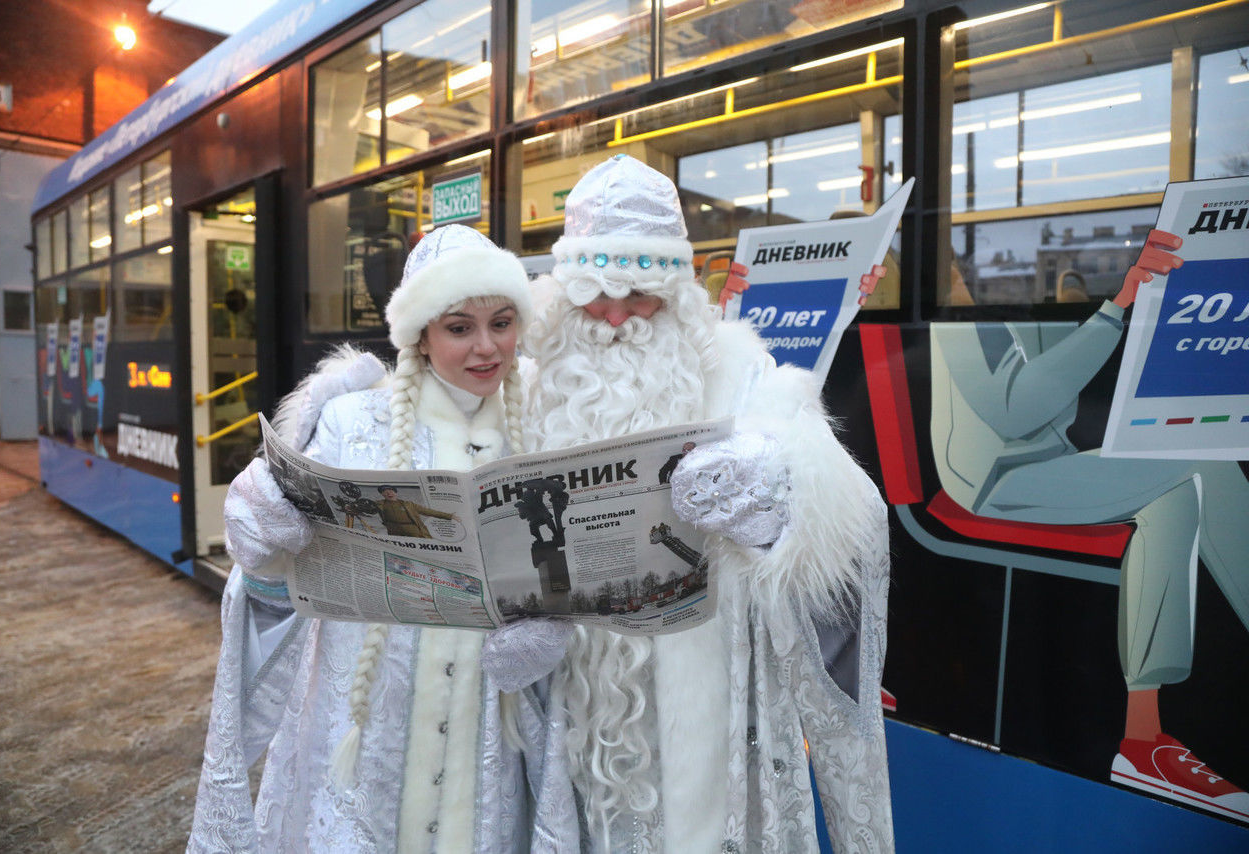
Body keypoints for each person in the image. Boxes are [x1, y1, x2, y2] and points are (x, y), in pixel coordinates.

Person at [505, 154, 895, 852]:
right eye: (596, 290)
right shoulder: (526, 388)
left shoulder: (746, 381)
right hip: (570, 710)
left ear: (680, 291)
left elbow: (856, 517)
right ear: (564, 288)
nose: (616, 315)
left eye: (642, 293)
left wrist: (775, 493)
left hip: (703, 726)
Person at [188, 224, 578, 852]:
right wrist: (260, 537)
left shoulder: (543, 426)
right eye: (459, 328)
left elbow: (571, 573)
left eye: (502, 322)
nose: (487, 348)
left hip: (485, 731)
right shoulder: (350, 423)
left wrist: (553, 632)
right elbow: (272, 586)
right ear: (420, 333)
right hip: (368, 738)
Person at [928, 229, 1249, 822]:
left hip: (1043, 464)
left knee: (1189, 472)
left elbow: (1057, 400)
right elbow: (1019, 409)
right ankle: (1144, 744)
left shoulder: (1010, 315)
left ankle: (1142, 738)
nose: (966, 278)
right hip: (994, 481)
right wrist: (1116, 309)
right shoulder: (957, 326)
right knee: (1191, 470)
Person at [376, 484, 456, 538]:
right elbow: (367, 508)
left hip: (412, 529)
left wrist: (449, 516)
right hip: (394, 531)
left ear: (395, 492)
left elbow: (428, 511)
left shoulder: (408, 504)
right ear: (382, 494)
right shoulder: (379, 504)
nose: (388, 493)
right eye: (384, 491)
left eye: (390, 490)